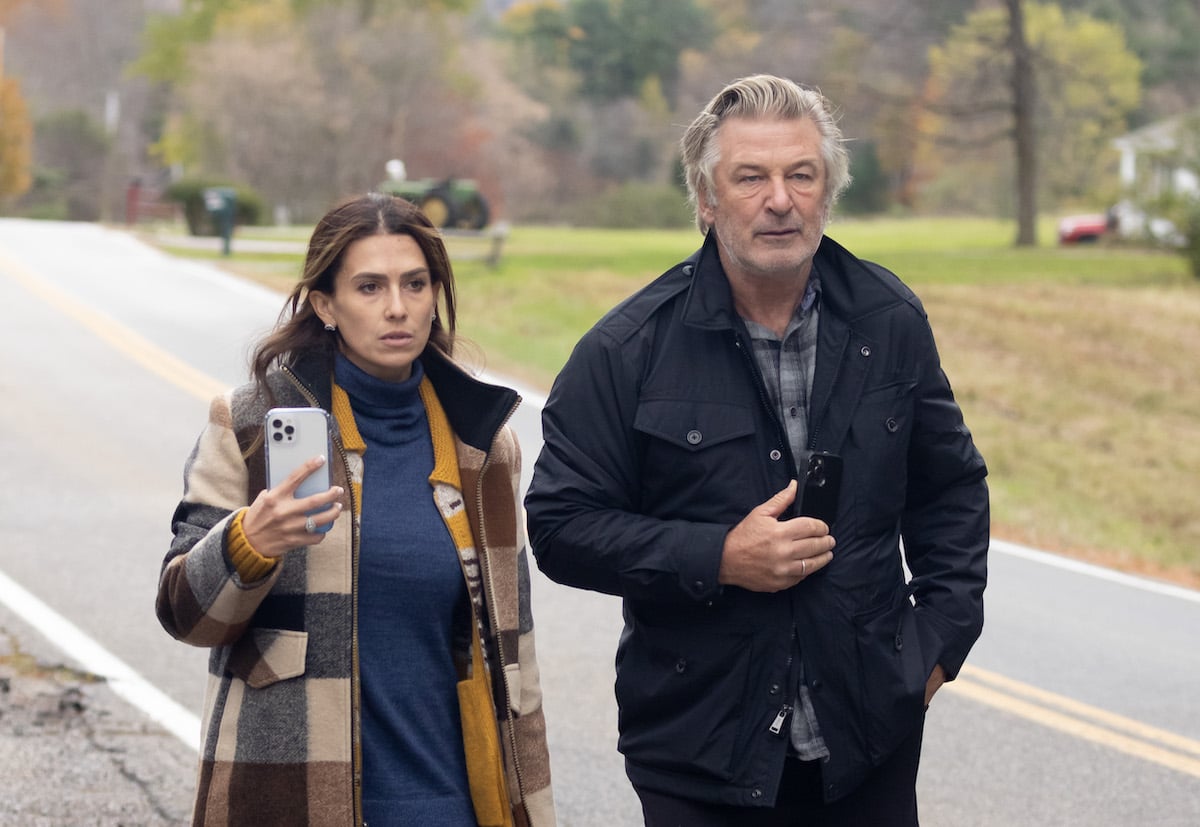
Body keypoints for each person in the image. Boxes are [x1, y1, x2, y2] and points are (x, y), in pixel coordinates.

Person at [524, 74, 989, 826]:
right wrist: (718, 556)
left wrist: (936, 644)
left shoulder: (888, 319)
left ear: (827, 190)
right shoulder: (626, 350)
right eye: (752, 177)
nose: (781, 198)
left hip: (868, 739)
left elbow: (951, 489)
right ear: (706, 200)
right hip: (699, 747)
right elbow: (560, 524)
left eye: (801, 174)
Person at [157, 193, 555, 827]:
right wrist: (247, 543)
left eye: (415, 284)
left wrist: (531, 807)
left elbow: (513, 654)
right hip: (293, 799)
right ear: (325, 305)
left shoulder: (482, 445)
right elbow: (184, 615)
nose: (397, 307)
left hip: (451, 802)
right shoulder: (250, 426)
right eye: (369, 287)